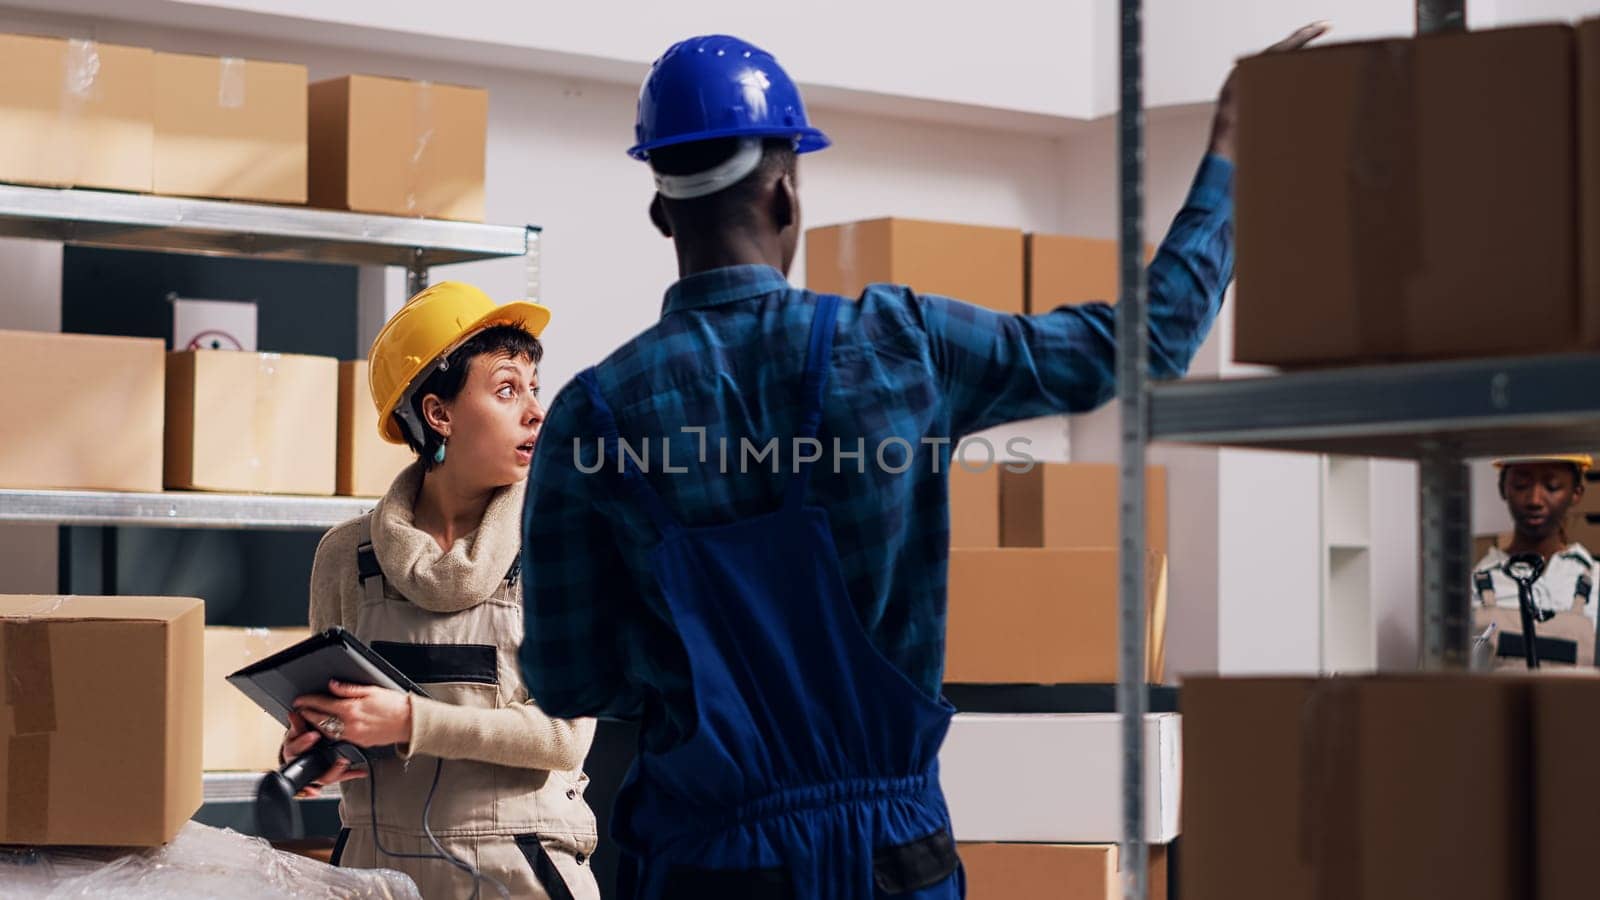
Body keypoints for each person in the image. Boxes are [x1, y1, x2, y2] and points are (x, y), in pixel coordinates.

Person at [519, 26, 1325, 900]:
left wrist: (697, 681)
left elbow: (569, 681)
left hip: (709, 864)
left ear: (660, 210)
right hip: (893, 858)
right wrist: (1234, 156)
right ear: (786, 194)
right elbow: (1152, 337)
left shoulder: (591, 414)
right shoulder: (899, 345)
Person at [283, 281, 600, 900]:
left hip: (522, 874)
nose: (536, 410)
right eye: (507, 389)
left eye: (534, 388)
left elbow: (563, 738)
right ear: (440, 413)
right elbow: (334, 708)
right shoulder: (345, 557)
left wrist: (408, 720)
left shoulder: (566, 544)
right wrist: (321, 740)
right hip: (378, 874)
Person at [1471, 454, 1598, 668]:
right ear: (1503, 489)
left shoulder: (1596, 582)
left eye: (1552, 486)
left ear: (1576, 493)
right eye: (1521, 485)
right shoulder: (1472, 587)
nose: (1534, 500)